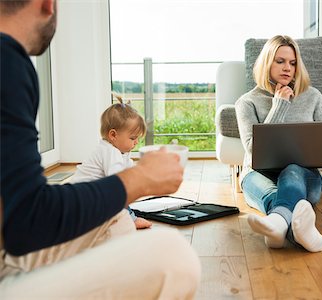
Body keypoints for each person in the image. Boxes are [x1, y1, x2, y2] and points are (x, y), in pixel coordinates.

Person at [0, 0, 200, 298]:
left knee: (113, 217)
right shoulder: (8, 61)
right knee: (173, 255)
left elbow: (15, 212)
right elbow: (28, 220)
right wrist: (141, 179)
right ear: (47, 4)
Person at [235, 35, 322, 252]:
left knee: (292, 170)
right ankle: (298, 233)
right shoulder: (247, 102)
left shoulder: (313, 97)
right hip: (258, 174)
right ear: (267, 62)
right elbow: (253, 149)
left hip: (303, 177)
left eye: (293, 63)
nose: (288, 68)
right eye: (280, 61)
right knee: (273, 195)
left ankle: (276, 226)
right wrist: (279, 106)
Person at [70, 94, 152, 230]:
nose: (136, 142)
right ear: (113, 135)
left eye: (137, 138)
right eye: (133, 138)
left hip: (88, 197)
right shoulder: (109, 152)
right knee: (119, 195)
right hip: (81, 201)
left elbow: (128, 170)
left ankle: (122, 217)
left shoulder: (120, 151)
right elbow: (118, 184)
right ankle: (130, 219)